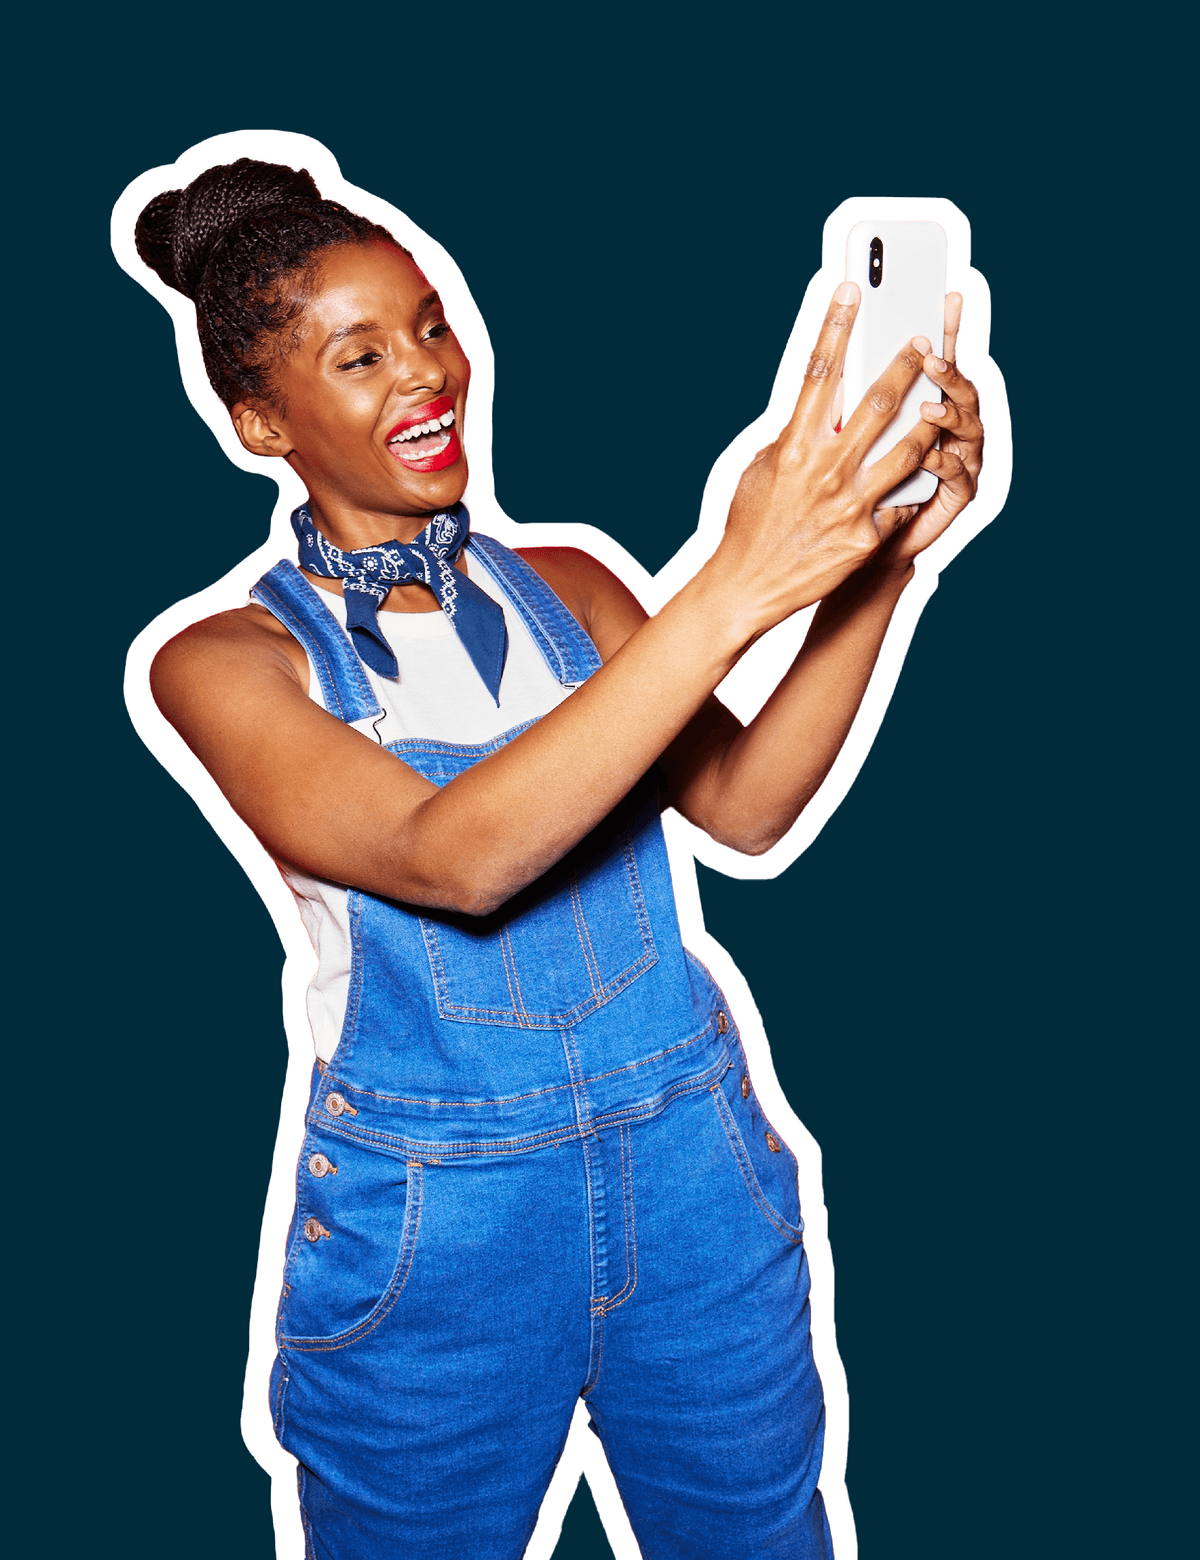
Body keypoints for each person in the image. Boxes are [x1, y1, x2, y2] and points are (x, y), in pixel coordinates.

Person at [134, 157, 983, 1560]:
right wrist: (738, 580)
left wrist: (882, 568)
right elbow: (451, 857)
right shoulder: (226, 664)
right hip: (436, 1235)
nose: (427, 371)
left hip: (697, 1176)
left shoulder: (573, 588)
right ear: (260, 421)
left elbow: (746, 809)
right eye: (360, 355)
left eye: (431, 325)